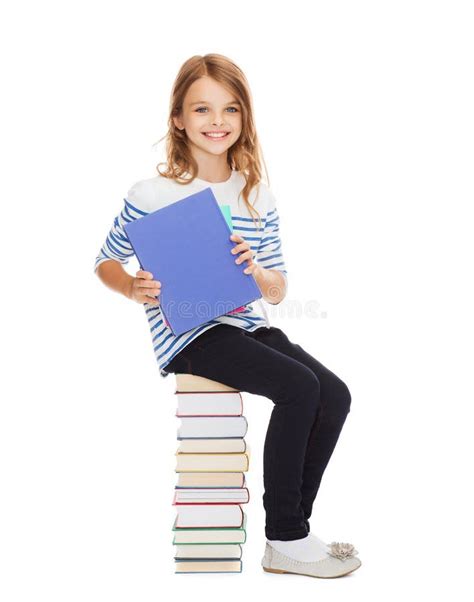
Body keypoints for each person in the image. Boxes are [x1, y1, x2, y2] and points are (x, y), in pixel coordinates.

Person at [94, 53, 361, 579]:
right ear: (178, 119)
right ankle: (285, 535)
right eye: (202, 109)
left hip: (247, 323)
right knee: (297, 387)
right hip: (189, 330)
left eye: (230, 109)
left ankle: (294, 531)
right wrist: (131, 287)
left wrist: (257, 269)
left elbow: (279, 289)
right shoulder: (150, 195)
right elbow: (105, 260)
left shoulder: (256, 195)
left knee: (334, 393)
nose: (217, 122)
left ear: (244, 118)